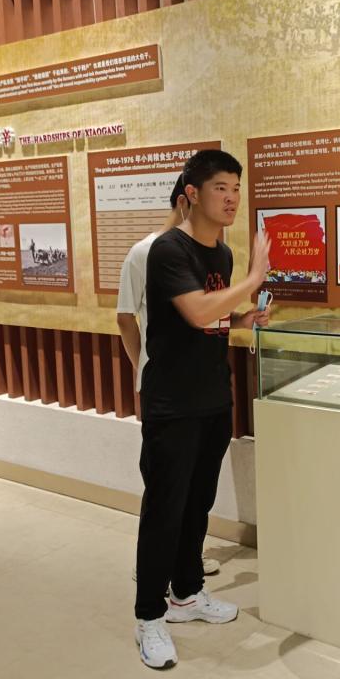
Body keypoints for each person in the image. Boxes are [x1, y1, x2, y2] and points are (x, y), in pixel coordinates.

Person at [133, 150, 271, 670]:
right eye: (220, 187)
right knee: (164, 511)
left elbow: (212, 319)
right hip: (172, 404)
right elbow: (194, 311)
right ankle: (149, 616)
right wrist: (252, 280)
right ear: (191, 193)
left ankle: (186, 594)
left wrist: (243, 318)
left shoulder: (223, 255)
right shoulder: (168, 249)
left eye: (236, 187)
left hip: (214, 398)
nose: (231, 198)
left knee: (198, 505)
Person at [117, 174, 222, 580]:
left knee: (198, 488)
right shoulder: (144, 253)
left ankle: (187, 562)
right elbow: (125, 318)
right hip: (165, 390)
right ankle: (153, 570)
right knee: (165, 486)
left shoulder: (206, 253)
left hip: (201, 388)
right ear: (185, 202)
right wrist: (142, 370)